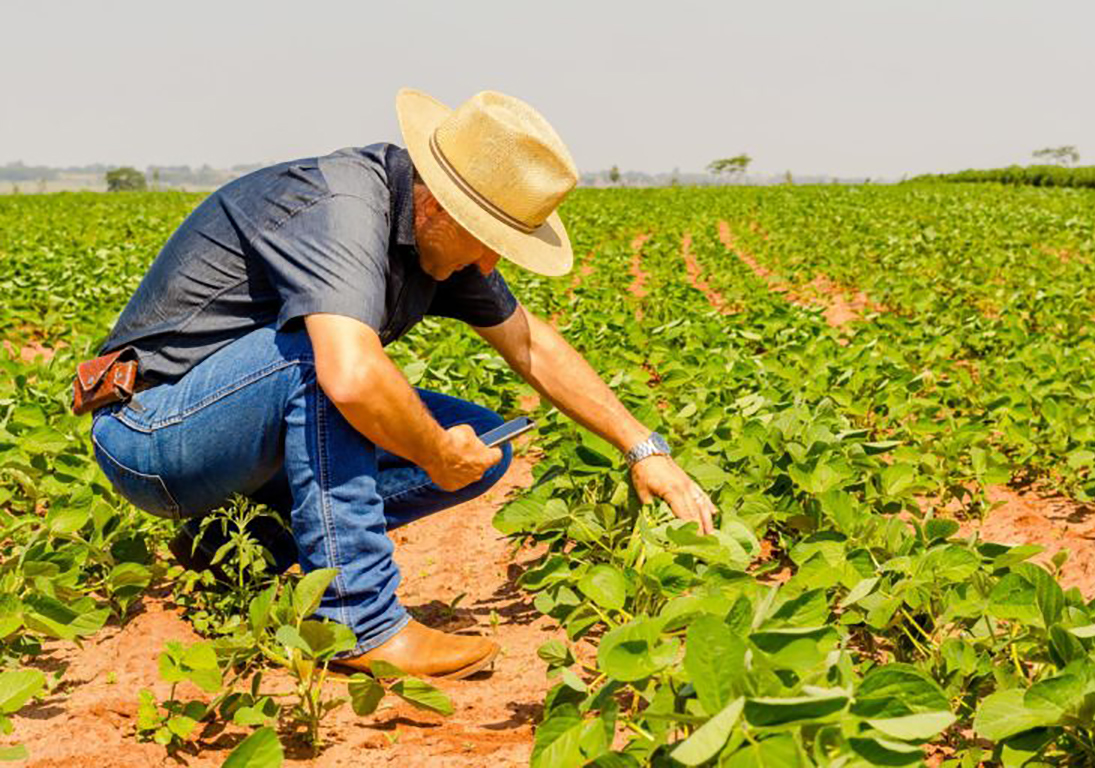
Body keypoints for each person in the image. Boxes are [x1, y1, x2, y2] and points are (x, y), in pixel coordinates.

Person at [86, 89, 718, 680]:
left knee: (483, 442)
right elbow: (351, 378)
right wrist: (431, 454)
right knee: (328, 361)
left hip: (230, 446)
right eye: (492, 241)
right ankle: (360, 621)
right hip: (149, 433)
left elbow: (530, 344)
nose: (492, 263)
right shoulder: (343, 208)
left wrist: (643, 447)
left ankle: (235, 539)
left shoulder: (438, 239)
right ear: (443, 204)